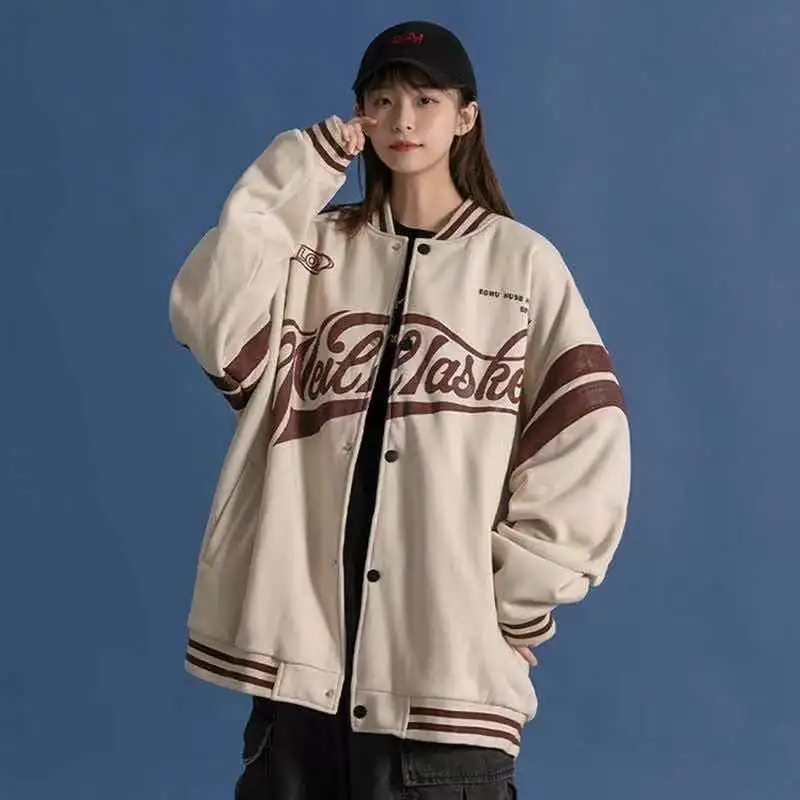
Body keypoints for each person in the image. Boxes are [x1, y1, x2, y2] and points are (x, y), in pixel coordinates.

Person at [169, 19, 631, 800]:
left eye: (425, 99)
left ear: (466, 116)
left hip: (444, 690)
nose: (403, 120)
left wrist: (511, 603)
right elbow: (209, 313)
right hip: (299, 684)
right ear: (359, 115)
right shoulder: (314, 252)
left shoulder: (522, 263)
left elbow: (586, 439)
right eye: (381, 100)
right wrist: (300, 170)